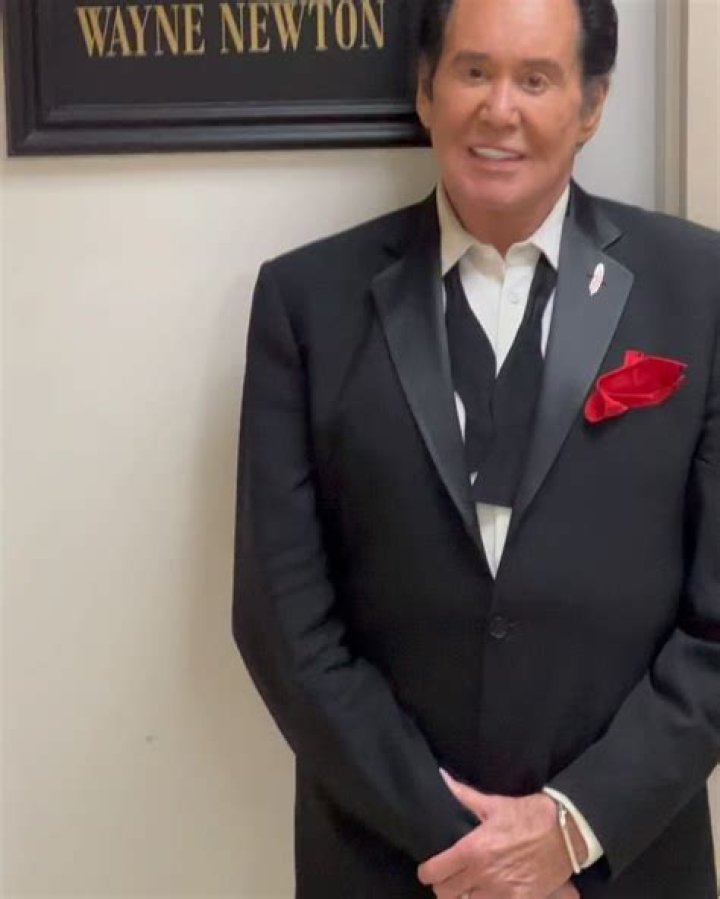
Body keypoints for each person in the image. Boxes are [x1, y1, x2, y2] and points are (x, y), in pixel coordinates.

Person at [232, 0, 720, 895]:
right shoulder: (306, 304)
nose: (500, 109)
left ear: (591, 104)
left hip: (624, 861)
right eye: (473, 72)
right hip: (389, 859)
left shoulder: (702, 289)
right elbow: (283, 624)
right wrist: (471, 848)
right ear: (426, 90)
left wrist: (570, 829)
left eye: (536, 78)